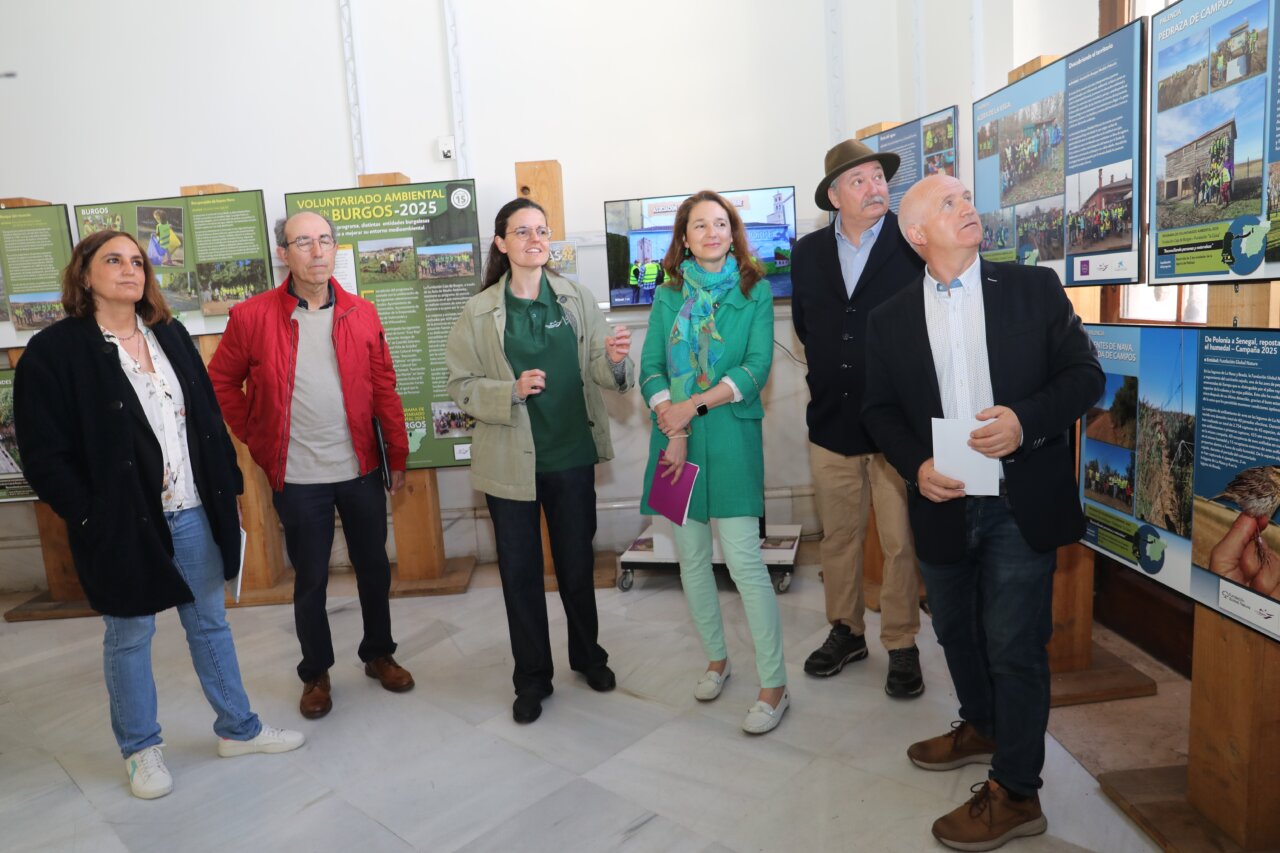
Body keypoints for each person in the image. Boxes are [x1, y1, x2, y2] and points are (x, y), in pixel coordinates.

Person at [13, 231, 303, 801]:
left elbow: (207, 418)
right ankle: (141, 750)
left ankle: (238, 729)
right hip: (122, 521)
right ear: (84, 275)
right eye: (113, 260)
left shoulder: (168, 334)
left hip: (191, 509)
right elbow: (43, 454)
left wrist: (227, 484)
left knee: (209, 623)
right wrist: (89, 515)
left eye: (137, 262)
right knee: (129, 634)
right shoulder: (55, 352)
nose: (129, 270)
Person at [861, 175, 1103, 851]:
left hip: (1019, 502)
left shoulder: (1033, 288)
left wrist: (1025, 420)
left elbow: (1086, 377)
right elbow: (879, 410)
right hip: (942, 501)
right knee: (957, 633)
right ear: (917, 235)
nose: (967, 207)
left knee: (1014, 644)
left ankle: (1017, 791)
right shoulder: (889, 318)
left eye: (967, 197)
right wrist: (916, 465)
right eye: (949, 203)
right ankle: (983, 725)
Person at [208, 211, 414, 720]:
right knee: (311, 579)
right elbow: (220, 383)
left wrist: (397, 453)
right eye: (304, 242)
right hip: (298, 477)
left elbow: (384, 388)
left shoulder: (362, 313)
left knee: (373, 568)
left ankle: (379, 653)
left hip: (360, 468)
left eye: (325, 240)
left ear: (335, 248)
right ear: (284, 253)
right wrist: (257, 435)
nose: (317, 251)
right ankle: (316, 672)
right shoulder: (252, 317)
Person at [446, 198, 633, 724]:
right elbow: (460, 385)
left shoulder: (575, 298)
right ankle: (531, 679)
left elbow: (601, 371)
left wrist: (615, 360)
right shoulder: (479, 311)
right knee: (520, 575)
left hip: (571, 456)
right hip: (509, 465)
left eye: (542, 231)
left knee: (577, 566)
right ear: (501, 243)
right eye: (522, 231)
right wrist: (510, 390)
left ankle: (589, 657)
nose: (535, 240)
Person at [639, 190, 787, 734]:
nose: (711, 232)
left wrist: (691, 407)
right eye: (699, 225)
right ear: (684, 237)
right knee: (692, 559)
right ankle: (717, 660)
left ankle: (774, 684)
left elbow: (756, 369)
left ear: (733, 233)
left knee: (745, 561)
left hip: (729, 436)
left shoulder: (755, 291)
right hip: (673, 440)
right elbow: (650, 368)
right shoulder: (667, 295)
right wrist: (674, 422)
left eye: (720, 223)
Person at [791, 139, 926, 698]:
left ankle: (902, 641)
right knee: (840, 536)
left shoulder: (911, 241)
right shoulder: (807, 252)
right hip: (832, 420)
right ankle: (846, 630)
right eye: (860, 180)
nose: (875, 188)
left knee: (899, 541)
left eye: (879, 177)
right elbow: (807, 326)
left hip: (897, 424)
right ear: (834, 196)